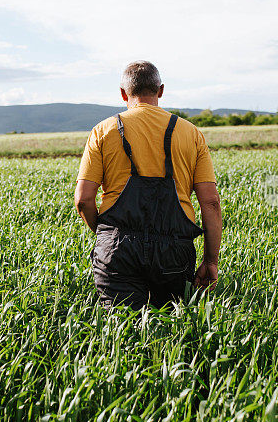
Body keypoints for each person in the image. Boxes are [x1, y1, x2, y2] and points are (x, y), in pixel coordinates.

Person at [74, 61, 223, 310]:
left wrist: (105, 235)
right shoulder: (191, 133)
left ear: (123, 93)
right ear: (160, 90)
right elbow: (211, 202)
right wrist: (211, 260)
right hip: (174, 249)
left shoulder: (103, 130)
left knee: (123, 334)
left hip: (117, 248)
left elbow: (83, 200)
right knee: (170, 330)